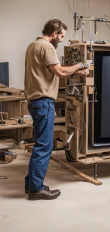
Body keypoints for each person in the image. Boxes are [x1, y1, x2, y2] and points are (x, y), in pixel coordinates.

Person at [24, 19, 89, 200]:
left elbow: (51, 70)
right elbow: (60, 72)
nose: (61, 40)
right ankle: (36, 189)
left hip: (35, 101)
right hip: (44, 101)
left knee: (40, 144)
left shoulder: (33, 45)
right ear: (53, 33)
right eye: (61, 36)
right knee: (45, 146)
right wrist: (81, 65)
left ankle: (31, 184)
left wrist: (76, 72)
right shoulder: (47, 47)